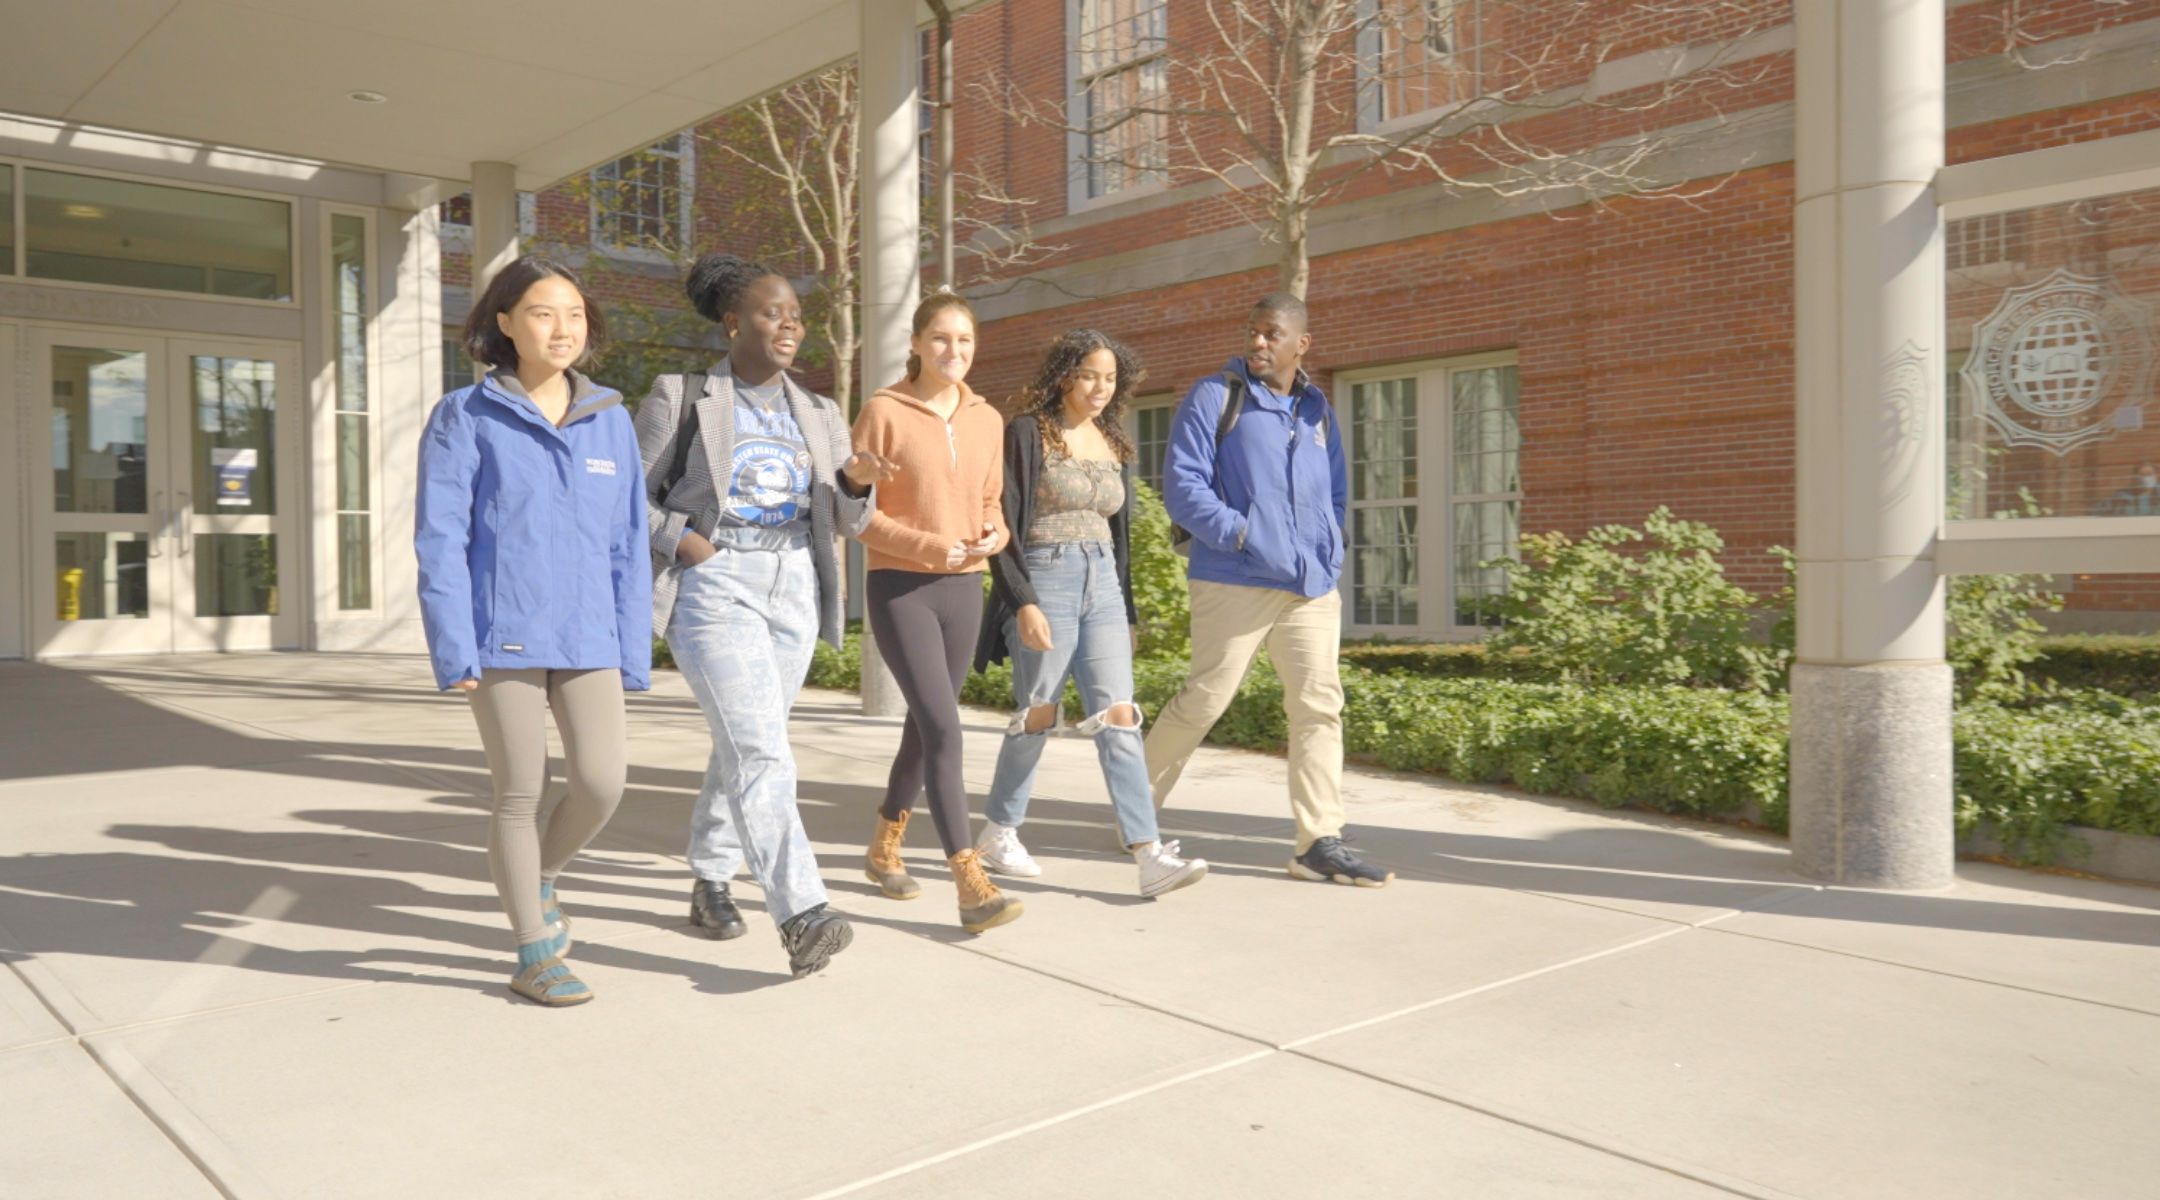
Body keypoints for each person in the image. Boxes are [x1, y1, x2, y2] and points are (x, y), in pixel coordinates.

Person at [638, 254, 895, 978]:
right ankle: (803, 911)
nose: (789, 326)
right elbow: (625, 496)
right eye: (771, 313)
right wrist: (685, 542)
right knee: (761, 749)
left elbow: (846, 522)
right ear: (732, 322)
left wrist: (855, 485)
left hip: (795, 586)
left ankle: (711, 875)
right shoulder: (682, 396)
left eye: (796, 316)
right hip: (716, 583)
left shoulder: (820, 412)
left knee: (751, 738)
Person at [415, 256, 651, 1006]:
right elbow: (441, 539)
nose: (562, 328)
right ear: (506, 324)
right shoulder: (465, 416)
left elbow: (628, 544)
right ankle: (533, 950)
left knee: (602, 783)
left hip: (589, 637)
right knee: (520, 790)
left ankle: (539, 876)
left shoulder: (611, 420)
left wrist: (632, 649)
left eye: (574, 314)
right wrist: (453, 645)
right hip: (502, 634)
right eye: (543, 313)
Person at [1145, 292, 1393, 887]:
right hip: (1234, 577)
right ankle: (1135, 809)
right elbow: (1183, 488)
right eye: (1252, 332)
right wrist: (1245, 536)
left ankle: (1319, 840)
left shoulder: (1317, 412)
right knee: (1205, 699)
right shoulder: (1215, 396)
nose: (1258, 342)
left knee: (1318, 706)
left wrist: (1329, 549)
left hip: (1310, 585)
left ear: (1301, 343)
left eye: (1271, 333)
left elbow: (1336, 492)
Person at [973, 329, 1207, 898]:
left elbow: (1119, 538)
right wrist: (1022, 601)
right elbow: (1003, 523)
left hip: (1102, 583)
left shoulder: (1111, 439)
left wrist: (1126, 610)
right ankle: (999, 831)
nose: (1101, 388)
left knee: (1120, 715)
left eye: (1110, 378)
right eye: (1089, 376)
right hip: (1045, 575)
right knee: (1038, 712)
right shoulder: (1028, 432)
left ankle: (1148, 854)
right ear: (1064, 377)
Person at [853, 291, 1020, 933]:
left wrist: (995, 535)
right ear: (917, 343)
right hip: (902, 589)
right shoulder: (884, 411)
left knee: (926, 729)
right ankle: (970, 884)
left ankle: (884, 845)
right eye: (942, 338)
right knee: (946, 730)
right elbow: (858, 514)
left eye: (966, 340)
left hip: (963, 589)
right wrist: (928, 546)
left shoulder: (987, 418)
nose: (955, 350)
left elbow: (990, 501)